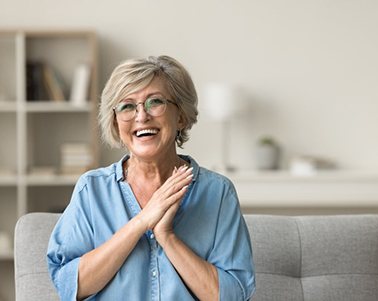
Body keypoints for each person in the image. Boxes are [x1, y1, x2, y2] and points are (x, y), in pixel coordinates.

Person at [47, 55, 256, 301]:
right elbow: (69, 285)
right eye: (127, 106)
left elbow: (233, 296)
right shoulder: (92, 189)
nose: (141, 116)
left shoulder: (217, 193)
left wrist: (167, 237)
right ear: (115, 123)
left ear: (180, 116)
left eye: (154, 102)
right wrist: (142, 222)